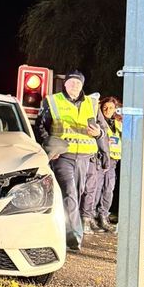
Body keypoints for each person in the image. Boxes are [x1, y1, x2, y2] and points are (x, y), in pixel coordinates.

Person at [35, 70, 110, 250]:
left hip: (85, 158)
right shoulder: (52, 101)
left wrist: (98, 133)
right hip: (63, 156)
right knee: (69, 193)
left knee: (76, 194)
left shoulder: (92, 104)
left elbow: (104, 130)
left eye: (78, 83)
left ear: (82, 85)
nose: (74, 85)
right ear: (65, 84)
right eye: (71, 82)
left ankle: (58, 229)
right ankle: (74, 236)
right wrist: (52, 146)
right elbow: (40, 127)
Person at [89, 96, 121, 231]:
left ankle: (103, 217)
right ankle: (90, 217)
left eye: (111, 108)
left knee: (108, 189)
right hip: (99, 159)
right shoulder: (98, 122)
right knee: (95, 189)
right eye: (105, 107)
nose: (108, 110)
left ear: (116, 109)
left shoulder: (119, 123)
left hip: (113, 161)